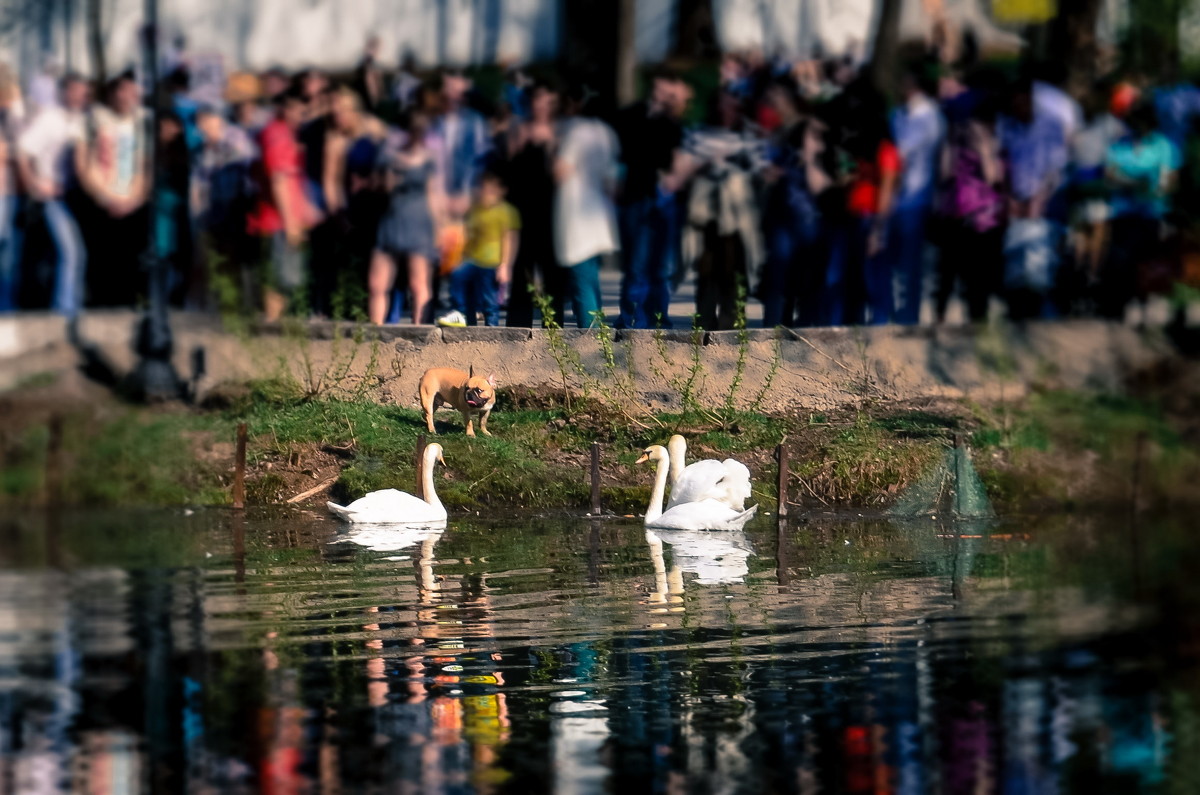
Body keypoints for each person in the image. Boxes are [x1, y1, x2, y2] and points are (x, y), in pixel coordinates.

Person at [678, 90, 765, 331]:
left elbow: (761, 170)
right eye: (724, 107)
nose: (729, 113)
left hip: (738, 217)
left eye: (734, 108)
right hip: (705, 216)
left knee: (735, 272)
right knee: (706, 273)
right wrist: (705, 165)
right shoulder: (697, 134)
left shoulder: (748, 137)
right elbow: (683, 167)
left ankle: (732, 325)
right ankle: (704, 322)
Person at [614, 69, 689, 329]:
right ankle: (630, 318)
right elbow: (618, 156)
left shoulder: (673, 124)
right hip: (635, 197)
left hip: (664, 200)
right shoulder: (630, 116)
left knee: (659, 267)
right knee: (636, 264)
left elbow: (679, 162)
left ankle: (658, 319)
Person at [824, 80, 901, 325]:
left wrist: (879, 231)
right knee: (845, 280)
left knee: (873, 280)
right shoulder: (860, 148)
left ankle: (880, 331)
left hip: (870, 219)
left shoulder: (886, 149)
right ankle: (844, 329)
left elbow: (888, 190)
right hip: (849, 216)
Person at [246, 86, 319, 322]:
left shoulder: (286, 134)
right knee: (279, 279)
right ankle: (270, 328)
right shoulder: (276, 135)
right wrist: (291, 224)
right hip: (276, 221)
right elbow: (279, 180)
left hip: (285, 219)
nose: (302, 114)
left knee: (285, 279)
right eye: (298, 109)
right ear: (284, 108)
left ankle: (272, 325)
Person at [1101, 102, 1179, 320]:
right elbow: (1110, 174)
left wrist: (1158, 188)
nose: (1138, 125)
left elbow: (1170, 179)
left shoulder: (1164, 146)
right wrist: (1132, 182)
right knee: (1121, 259)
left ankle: (1144, 305)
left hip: (1151, 212)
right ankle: (1120, 305)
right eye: (1135, 120)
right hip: (1123, 212)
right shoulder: (1118, 146)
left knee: (1146, 260)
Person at [78, 71, 150, 307]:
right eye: (121, 90)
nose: (127, 96)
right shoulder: (93, 119)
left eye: (132, 90)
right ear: (111, 94)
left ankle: (130, 302)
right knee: (102, 258)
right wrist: (104, 198)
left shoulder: (143, 121)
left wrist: (137, 198)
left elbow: (148, 165)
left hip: (133, 201)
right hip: (103, 202)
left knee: (132, 257)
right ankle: (102, 303)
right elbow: (83, 164)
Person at [933, 91, 1005, 323]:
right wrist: (951, 143)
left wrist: (983, 149)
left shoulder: (996, 145)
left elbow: (993, 177)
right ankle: (939, 320)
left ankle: (977, 325)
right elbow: (943, 175)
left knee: (978, 280)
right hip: (955, 217)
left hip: (983, 222)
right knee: (946, 276)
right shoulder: (956, 145)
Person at [554, 83, 621, 328]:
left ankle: (590, 335)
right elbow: (612, 180)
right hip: (599, 215)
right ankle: (596, 328)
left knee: (581, 280)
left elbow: (560, 170)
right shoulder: (607, 134)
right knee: (591, 278)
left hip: (575, 214)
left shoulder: (577, 133)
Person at [370, 111, 442, 325]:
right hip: (392, 220)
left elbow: (433, 194)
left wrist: (439, 227)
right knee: (377, 284)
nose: (417, 136)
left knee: (418, 284)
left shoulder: (430, 158)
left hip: (419, 223)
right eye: (414, 130)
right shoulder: (390, 157)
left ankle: (418, 332)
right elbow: (383, 188)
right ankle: (375, 335)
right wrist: (394, 169)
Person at [503, 80, 565, 327]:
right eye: (538, 100)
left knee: (552, 273)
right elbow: (508, 169)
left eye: (548, 101)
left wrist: (551, 146)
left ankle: (554, 328)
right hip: (521, 210)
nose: (542, 106)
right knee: (522, 271)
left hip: (550, 211)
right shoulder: (518, 131)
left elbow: (561, 174)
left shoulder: (559, 132)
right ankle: (518, 328)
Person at [889, 66, 944, 324]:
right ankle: (897, 312)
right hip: (895, 199)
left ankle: (909, 316)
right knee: (893, 262)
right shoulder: (900, 114)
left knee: (910, 263)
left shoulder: (929, 117)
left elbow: (900, 149)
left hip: (916, 198)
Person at [190, 105, 257, 311]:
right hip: (213, 215)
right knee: (218, 264)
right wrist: (198, 219)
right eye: (199, 122)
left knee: (240, 263)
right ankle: (224, 309)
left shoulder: (237, 140)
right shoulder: (202, 149)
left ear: (219, 119)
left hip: (238, 210)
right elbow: (197, 185)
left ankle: (245, 310)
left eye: (206, 120)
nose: (201, 126)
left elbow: (249, 177)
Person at [438, 170, 519, 327]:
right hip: (473, 259)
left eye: (491, 189)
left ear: (501, 191)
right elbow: (468, 234)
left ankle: (492, 329)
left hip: (492, 262)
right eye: (483, 188)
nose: (486, 193)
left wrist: (505, 266)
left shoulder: (507, 212)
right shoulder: (475, 210)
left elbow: (510, 240)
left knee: (489, 298)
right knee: (458, 276)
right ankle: (460, 314)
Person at [0, 63, 25, 311]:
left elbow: (18, 149)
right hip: (6, 193)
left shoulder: (11, 116)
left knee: (9, 256)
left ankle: (7, 309)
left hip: (9, 193)